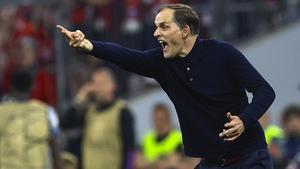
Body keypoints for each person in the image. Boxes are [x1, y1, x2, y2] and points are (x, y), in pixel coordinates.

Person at [57, 3, 276, 169]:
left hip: (249, 159)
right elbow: (126, 56)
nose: (155, 33)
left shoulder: (223, 53)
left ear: (184, 31)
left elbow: (265, 91)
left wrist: (244, 121)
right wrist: (89, 45)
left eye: (163, 26)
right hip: (210, 163)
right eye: (155, 27)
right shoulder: (162, 63)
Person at [60, 67, 135, 169]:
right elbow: (65, 124)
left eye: (102, 83)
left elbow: (130, 150)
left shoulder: (122, 112)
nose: (98, 88)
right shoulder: (89, 112)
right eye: (95, 83)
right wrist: (80, 98)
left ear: (113, 85)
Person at [0, 70, 61, 169]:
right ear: (33, 86)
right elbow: (55, 147)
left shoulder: (1, 112)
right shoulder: (47, 112)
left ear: (11, 87)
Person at [135, 103, 184, 169]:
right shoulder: (146, 138)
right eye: (156, 119)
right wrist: (159, 162)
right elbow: (138, 162)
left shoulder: (178, 137)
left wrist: (149, 162)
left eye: (161, 119)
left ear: (168, 118)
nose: (158, 123)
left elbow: (174, 162)